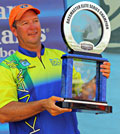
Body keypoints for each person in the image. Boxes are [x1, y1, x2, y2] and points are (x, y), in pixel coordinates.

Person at [0, 4, 111, 134]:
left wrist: (98, 77)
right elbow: (3, 113)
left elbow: (81, 95)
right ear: (14, 31)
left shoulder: (61, 57)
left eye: (35, 21)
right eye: (25, 23)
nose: (32, 27)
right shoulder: (7, 67)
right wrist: (42, 105)